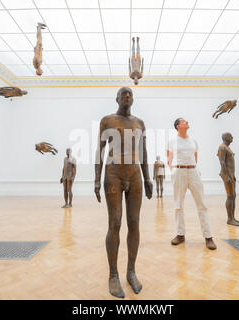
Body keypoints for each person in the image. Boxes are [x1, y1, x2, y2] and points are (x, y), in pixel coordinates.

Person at [95, 86, 153, 298]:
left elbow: (143, 151)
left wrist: (147, 177)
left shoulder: (139, 123)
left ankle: (131, 271)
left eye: (130, 93)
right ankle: (113, 274)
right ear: (117, 98)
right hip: (113, 173)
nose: (127, 96)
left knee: (135, 222)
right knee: (115, 223)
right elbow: (99, 151)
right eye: (123, 93)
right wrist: (96, 178)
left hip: (135, 174)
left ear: (133, 99)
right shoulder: (107, 120)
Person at [167, 118, 216, 250]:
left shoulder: (193, 141)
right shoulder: (172, 141)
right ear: (178, 126)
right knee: (178, 205)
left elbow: (195, 157)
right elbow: (169, 158)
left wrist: (193, 168)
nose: (187, 122)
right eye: (184, 122)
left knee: (202, 205)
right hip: (179, 172)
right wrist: (173, 171)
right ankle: (180, 234)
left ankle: (208, 237)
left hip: (193, 171)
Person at [218, 132, 239, 226]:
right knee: (230, 196)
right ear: (226, 137)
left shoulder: (227, 147)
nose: (232, 137)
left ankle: (233, 218)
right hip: (227, 176)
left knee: (233, 196)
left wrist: (232, 176)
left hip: (231, 176)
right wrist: (226, 176)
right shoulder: (222, 147)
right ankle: (230, 219)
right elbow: (222, 162)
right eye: (230, 136)